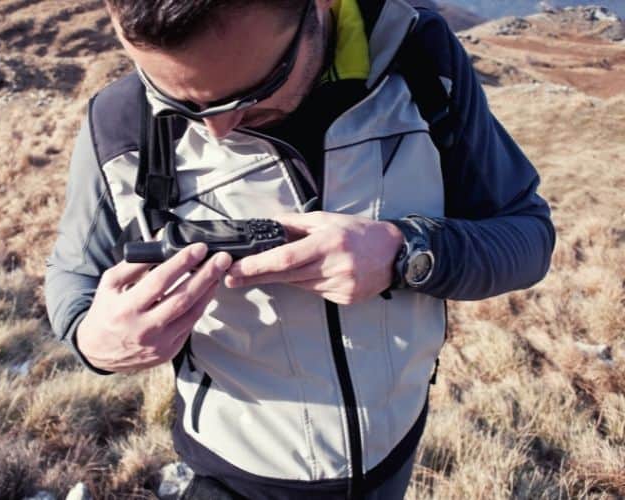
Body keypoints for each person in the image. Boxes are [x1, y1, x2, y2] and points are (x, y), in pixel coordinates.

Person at [44, 0, 555, 498]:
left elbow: (528, 237)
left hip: (396, 450)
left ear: (322, 7)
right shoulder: (117, 123)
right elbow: (72, 277)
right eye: (177, 100)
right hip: (231, 472)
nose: (216, 130)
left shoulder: (422, 59)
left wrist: (405, 252)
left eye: (255, 90)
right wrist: (94, 340)